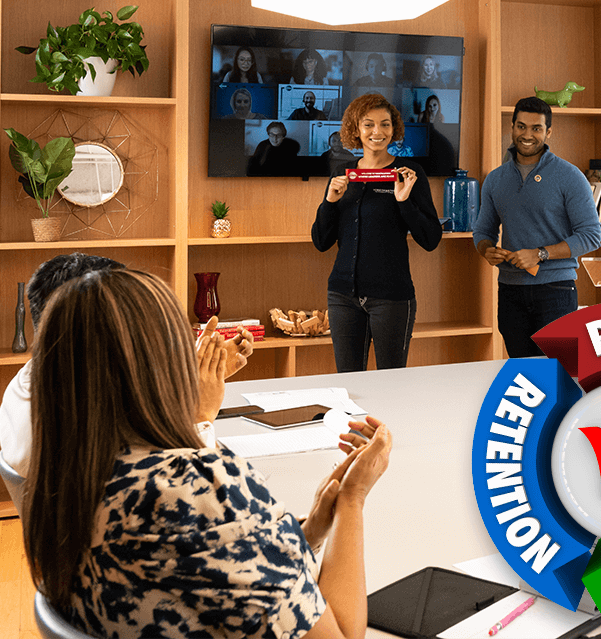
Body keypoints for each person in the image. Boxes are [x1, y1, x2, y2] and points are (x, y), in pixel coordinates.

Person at [22, 267, 392, 638]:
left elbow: (205, 570)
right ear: (159, 368)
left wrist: (306, 532)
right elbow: (341, 634)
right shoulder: (201, 487)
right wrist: (351, 500)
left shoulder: (61, 481)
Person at [0, 253, 254, 478]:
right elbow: (201, 494)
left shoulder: (30, 386)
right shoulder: (85, 436)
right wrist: (201, 416)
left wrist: (196, 376)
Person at [312, 93, 442, 372]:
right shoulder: (342, 172)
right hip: (342, 296)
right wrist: (330, 202)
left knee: (391, 384)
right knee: (349, 384)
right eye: (368, 124)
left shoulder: (408, 173)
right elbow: (321, 241)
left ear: (394, 129)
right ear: (355, 130)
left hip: (391, 297)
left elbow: (431, 239)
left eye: (385, 124)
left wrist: (404, 201)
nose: (377, 132)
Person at [473, 96, 601, 358]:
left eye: (536, 128)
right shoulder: (495, 179)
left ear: (548, 132)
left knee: (558, 374)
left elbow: (591, 236)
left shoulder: (570, 176)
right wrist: (487, 250)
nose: (527, 135)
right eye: (521, 126)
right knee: (522, 375)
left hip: (556, 290)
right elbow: (483, 232)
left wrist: (540, 253)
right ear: (512, 128)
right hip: (510, 291)